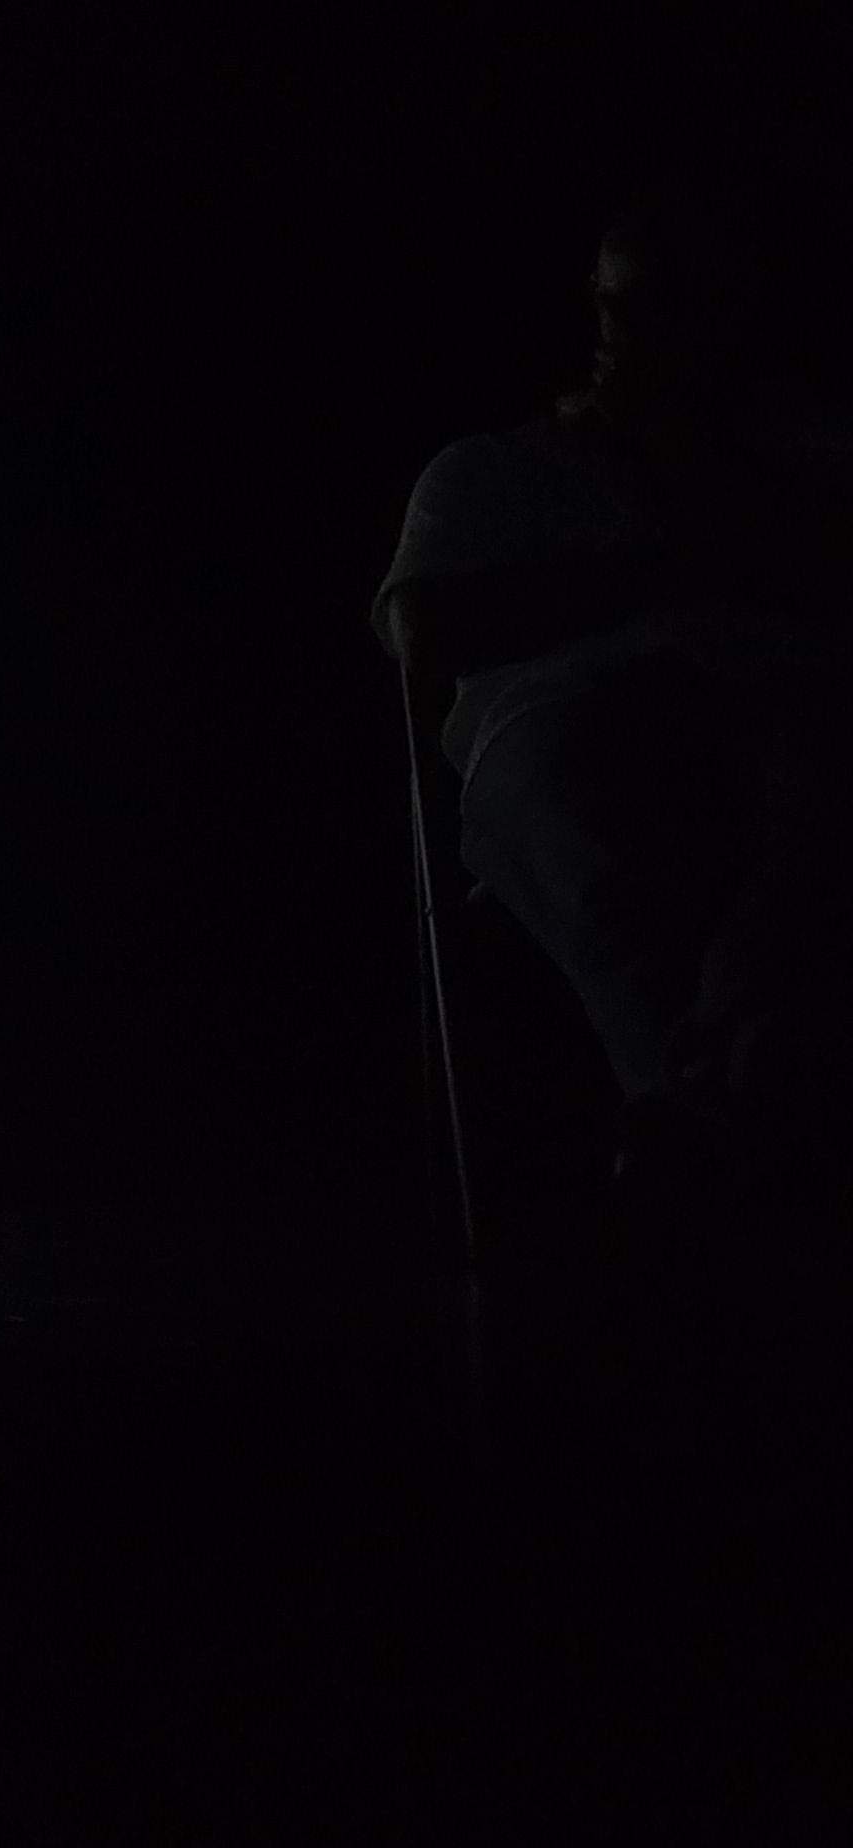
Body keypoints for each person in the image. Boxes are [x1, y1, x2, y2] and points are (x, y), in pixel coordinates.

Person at [375, 149, 853, 1228]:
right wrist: (676, 563)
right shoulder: (493, 472)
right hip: (557, 730)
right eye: (612, 300)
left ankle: (695, 1118)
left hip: (769, 720)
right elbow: (427, 631)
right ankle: (719, 1113)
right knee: (579, 803)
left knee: (812, 780)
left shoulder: (800, 468)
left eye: (664, 304)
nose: (620, 329)